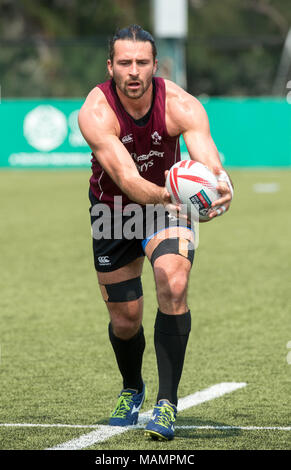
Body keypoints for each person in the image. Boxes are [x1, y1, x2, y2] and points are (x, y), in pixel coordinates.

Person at [78, 24, 233, 441]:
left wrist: (218, 186)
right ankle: (132, 388)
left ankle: (166, 403)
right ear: (110, 66)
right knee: (125, 321)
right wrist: (175, 193)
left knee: (173, 281)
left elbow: (208, 162)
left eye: (141, 63)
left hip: (168, 209)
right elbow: (128, 180)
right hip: (115, 211)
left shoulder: (180, 104)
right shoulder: (95, 111)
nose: (133, 71)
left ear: (154, 66)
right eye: (125, 62)